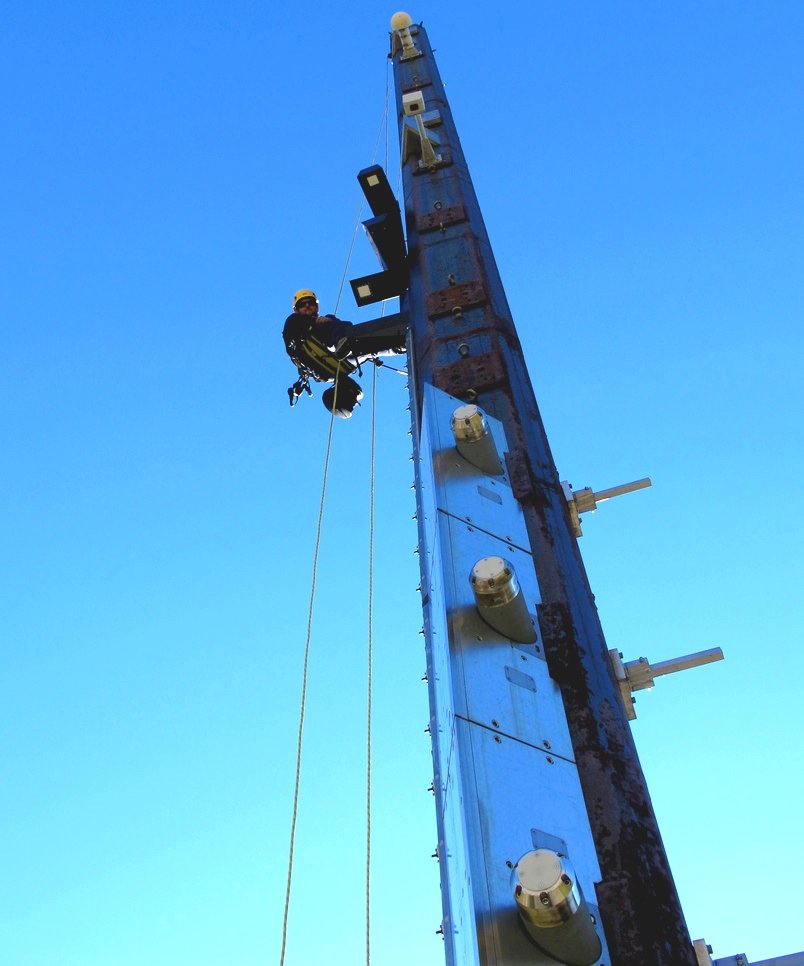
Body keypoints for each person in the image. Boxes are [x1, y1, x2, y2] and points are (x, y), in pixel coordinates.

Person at [283, 289, 363, 417]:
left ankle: (345, 342)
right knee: (332, 324)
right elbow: (293, 332)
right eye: (302, 305)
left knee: (333, 322)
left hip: (334, 360)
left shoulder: (325, 322)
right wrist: (316, 322)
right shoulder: (294, 322)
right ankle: (343, 341)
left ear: (317, 306)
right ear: (296, 310)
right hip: (331, 358)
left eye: (311, 303)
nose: (307, 306)